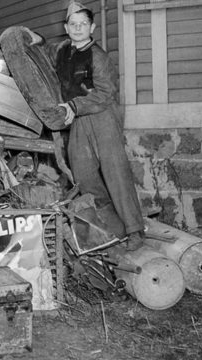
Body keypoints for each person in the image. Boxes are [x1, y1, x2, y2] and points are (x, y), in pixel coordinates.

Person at [30, 2, 145, 250]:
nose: (78, 28)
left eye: (83, 24)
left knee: (115, 172)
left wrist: (73, 106)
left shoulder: (98, 57)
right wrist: (32, 38)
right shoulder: (61, 50)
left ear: (92, 27)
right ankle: (114, 226)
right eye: (73, 24)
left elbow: (106, 94)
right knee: (83, 175)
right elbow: (39, 56)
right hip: (78, 119)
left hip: (103, 116)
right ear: (66, 27)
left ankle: (135, 230)